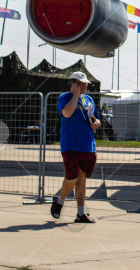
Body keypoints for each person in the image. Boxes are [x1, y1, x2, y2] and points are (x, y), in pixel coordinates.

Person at [50, 72, 101, 224]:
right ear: (73, 84)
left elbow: (96, 118)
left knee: (82, 178)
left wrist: (97, 123)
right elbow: (66, 113)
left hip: (87, 145)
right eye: (80, 84)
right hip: (71, 144)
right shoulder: (64, 98)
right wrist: (75, 95)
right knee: (72, 176)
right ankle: (60, 200)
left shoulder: (89, 99)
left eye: (85, 84)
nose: (84, 86)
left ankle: (80, 213)